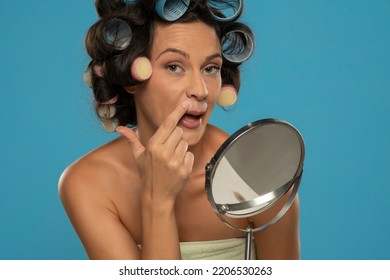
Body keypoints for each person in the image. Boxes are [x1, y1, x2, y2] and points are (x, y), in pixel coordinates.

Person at [58, 0, 300, 260]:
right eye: (174, 66)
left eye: (210, 68)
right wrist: (158, 201)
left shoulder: (259, 174)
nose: (201, 89)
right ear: (131, 78)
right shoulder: (87, 183)